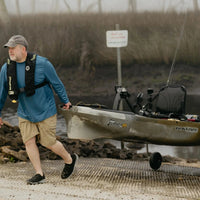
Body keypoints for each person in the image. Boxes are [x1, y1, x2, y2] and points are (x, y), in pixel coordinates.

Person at [0, 35, 78, 185]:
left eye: (13, 48)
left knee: (48, 142)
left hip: (45, 110)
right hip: (24, 112)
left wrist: (65, 100)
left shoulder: (43, 64)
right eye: (8, 48)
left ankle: (69, 159)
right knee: (29, 142)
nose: (10, 51)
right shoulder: (6, 68)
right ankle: (39, 173)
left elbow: (57, 84)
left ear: (23, 49)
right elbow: (1, 93)